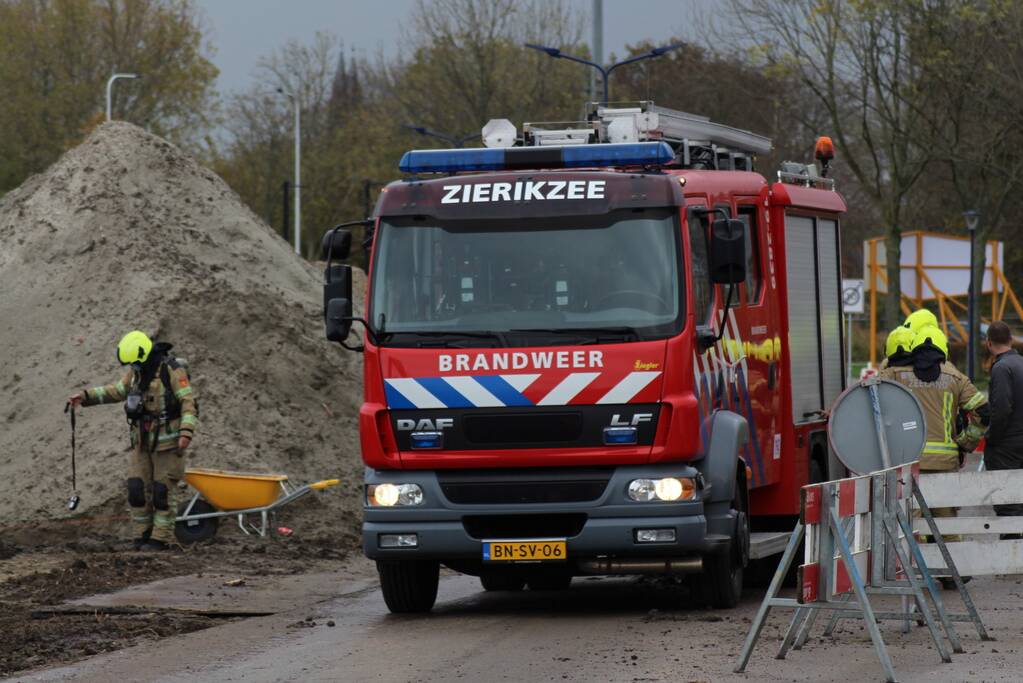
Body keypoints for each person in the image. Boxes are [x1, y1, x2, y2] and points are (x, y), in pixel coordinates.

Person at [70, 331, 197, 551]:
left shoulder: (171, 370)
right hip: (142, 443)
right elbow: (117, 391)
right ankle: (142, 536)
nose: (133, 367)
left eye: (134, 363)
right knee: (136, 489)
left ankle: (160, 540)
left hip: (168, 445)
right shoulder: (137, 373)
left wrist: (186, 433)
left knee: (162, 492)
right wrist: (85, 396)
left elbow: (188, 402)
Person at [984, 321, 1023, 520]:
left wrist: (991, 436)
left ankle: (1010, 546)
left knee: (1008, 505)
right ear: (1010, 340)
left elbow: (1001, 408)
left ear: (989, 343)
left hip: (1006, 447)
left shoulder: (1001, 368)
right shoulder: (1020, 363)